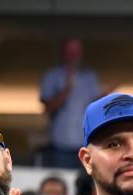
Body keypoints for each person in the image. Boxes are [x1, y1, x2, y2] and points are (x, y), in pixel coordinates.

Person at [39, 38, 105, 167]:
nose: (73, 56)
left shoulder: (90, 77)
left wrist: (107, 97)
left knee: (84, 183)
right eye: (70, 51)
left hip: (86, 143)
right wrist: (66, 90)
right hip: (60, 145)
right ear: (63, 53)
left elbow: (95, 108)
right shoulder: (52, 76)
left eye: (76, 51)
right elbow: (47, 109)